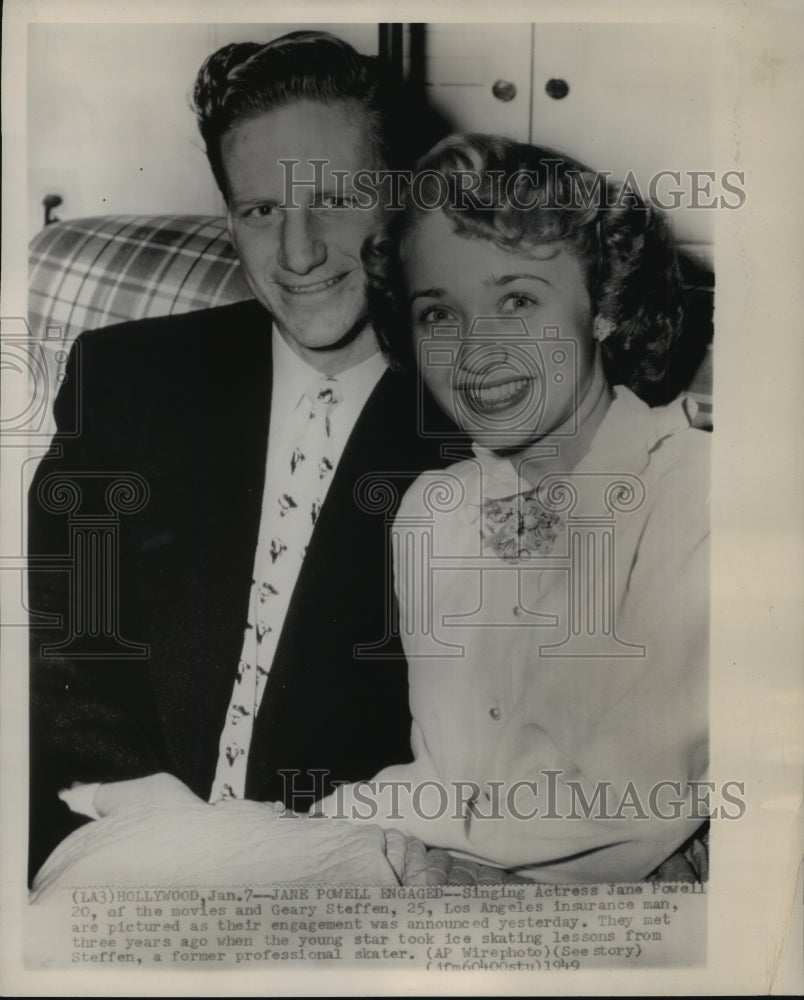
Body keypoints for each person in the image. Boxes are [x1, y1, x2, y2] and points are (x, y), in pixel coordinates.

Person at [27, 31, 456, 884]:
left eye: (333, 198)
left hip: (342, 882)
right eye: (261, 211)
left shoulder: (475, 418)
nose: (297, 253)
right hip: (101, 834)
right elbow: (54, 631)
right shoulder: (130, 377)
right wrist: (161, 837)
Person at [316, 134, 710, 883]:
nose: (476, 353)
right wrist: (292, 833)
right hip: (455, 886)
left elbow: (624, 805)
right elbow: (447, 776)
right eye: (439, 314)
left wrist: (377, 846)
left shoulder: (694, 494)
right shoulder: (436, 513)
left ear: (603, 306)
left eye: (517, 300)